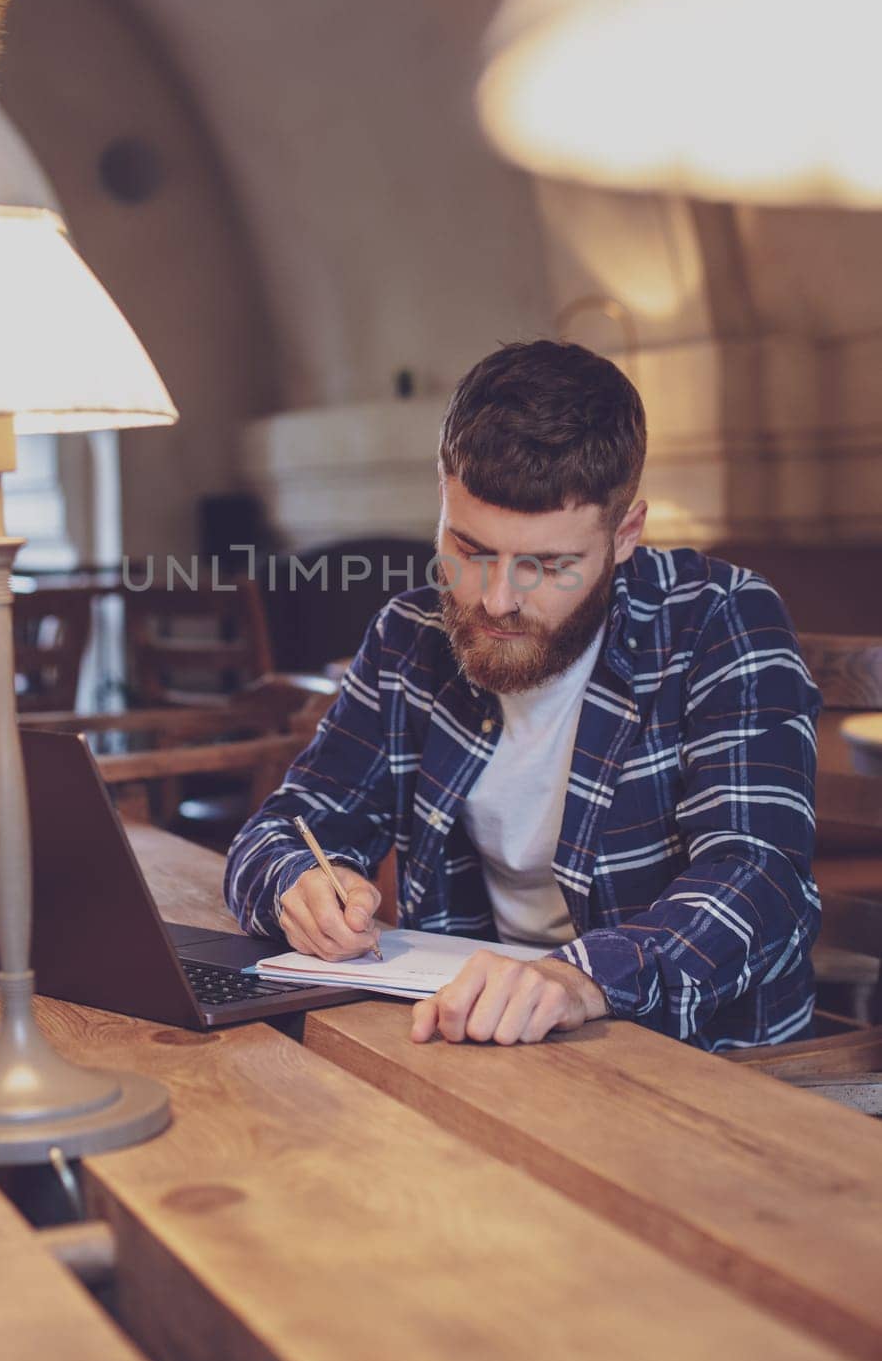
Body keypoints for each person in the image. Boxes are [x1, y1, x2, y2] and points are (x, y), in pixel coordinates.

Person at [224, 340, 822, 1051]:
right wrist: (297, 884)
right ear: (440, 498)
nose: (495, 600)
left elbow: (757, 874)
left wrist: (577, 978)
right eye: (470, 550)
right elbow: (287, 827)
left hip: (695, 1059)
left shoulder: (719, 619)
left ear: (624, 532)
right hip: (480, 1043)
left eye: (546, 564)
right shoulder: (409, 635)